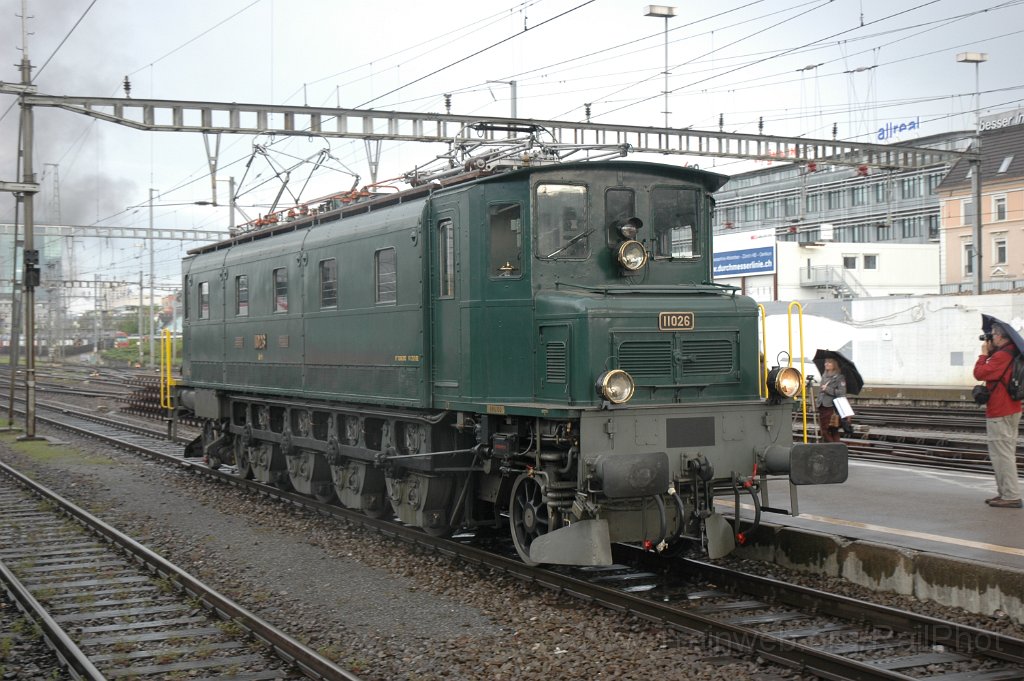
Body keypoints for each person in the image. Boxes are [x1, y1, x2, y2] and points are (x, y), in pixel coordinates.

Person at [973, 323, 1023, 508]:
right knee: (1005, 454)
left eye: (993, 334)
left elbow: (979, 373)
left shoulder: (1002, 356)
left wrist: (984, 354)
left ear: (1001, 337)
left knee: (1002, 456)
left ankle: (1011, 496)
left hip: (1000, 411)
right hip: (1012, 409)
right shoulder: (1012, 353)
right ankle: (1005, 493)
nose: (990, 338)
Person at [815, 357, 846, 443]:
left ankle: (834, 449)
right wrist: (818, 403)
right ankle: (838, 449)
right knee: (833, 430)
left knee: (825, 431)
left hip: (831, 407)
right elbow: (821, 392)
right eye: (825, 362)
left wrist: (827, 389)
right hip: (822, 406)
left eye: (829, 363)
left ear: (834, 365)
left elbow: (842, 392)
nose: (826, 364)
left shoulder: (839, 377)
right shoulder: (824, 376)